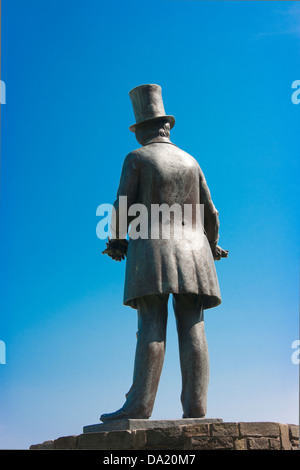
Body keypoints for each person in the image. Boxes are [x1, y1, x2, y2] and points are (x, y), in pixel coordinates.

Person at [101, 84, 228, 421]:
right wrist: (213, 245)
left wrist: (116, 241)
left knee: (151, 326)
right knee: (193, 326)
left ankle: (139, 405)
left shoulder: (137, 158)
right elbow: (211, 213)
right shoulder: (191, 161)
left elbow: (123, 205)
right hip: (195, 253)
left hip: (151, 251)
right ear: (166, 127)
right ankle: (197, 407)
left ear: (143, 130)